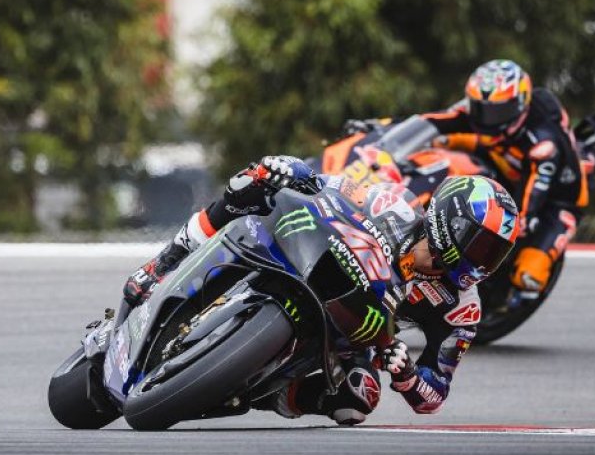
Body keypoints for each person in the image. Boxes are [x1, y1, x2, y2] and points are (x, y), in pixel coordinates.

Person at [124, 155, 519, 424]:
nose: (485, 260)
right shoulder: (393, 204)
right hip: (309, 256)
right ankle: (163, 264)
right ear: (449, 220)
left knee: (360, 399)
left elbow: (434, 396)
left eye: (496, 254)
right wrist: (292, 173)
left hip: (357, 332)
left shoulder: (461, 308)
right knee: (261, 176)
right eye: (481, 244)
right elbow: (329, 187)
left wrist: (407, 374)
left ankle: (267, 395)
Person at [350, 59, 587, 307]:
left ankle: (508, 296)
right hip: (502, 155)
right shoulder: (484, 120)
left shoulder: (544, 145)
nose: (486, 118)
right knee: (439, 143)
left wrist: (517, 222)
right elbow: (433, 121)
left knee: (529, 275)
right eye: (480, 108)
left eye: (496, 112)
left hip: (555, 200)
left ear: (519, 106)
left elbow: (529, 203)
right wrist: (381, 127)